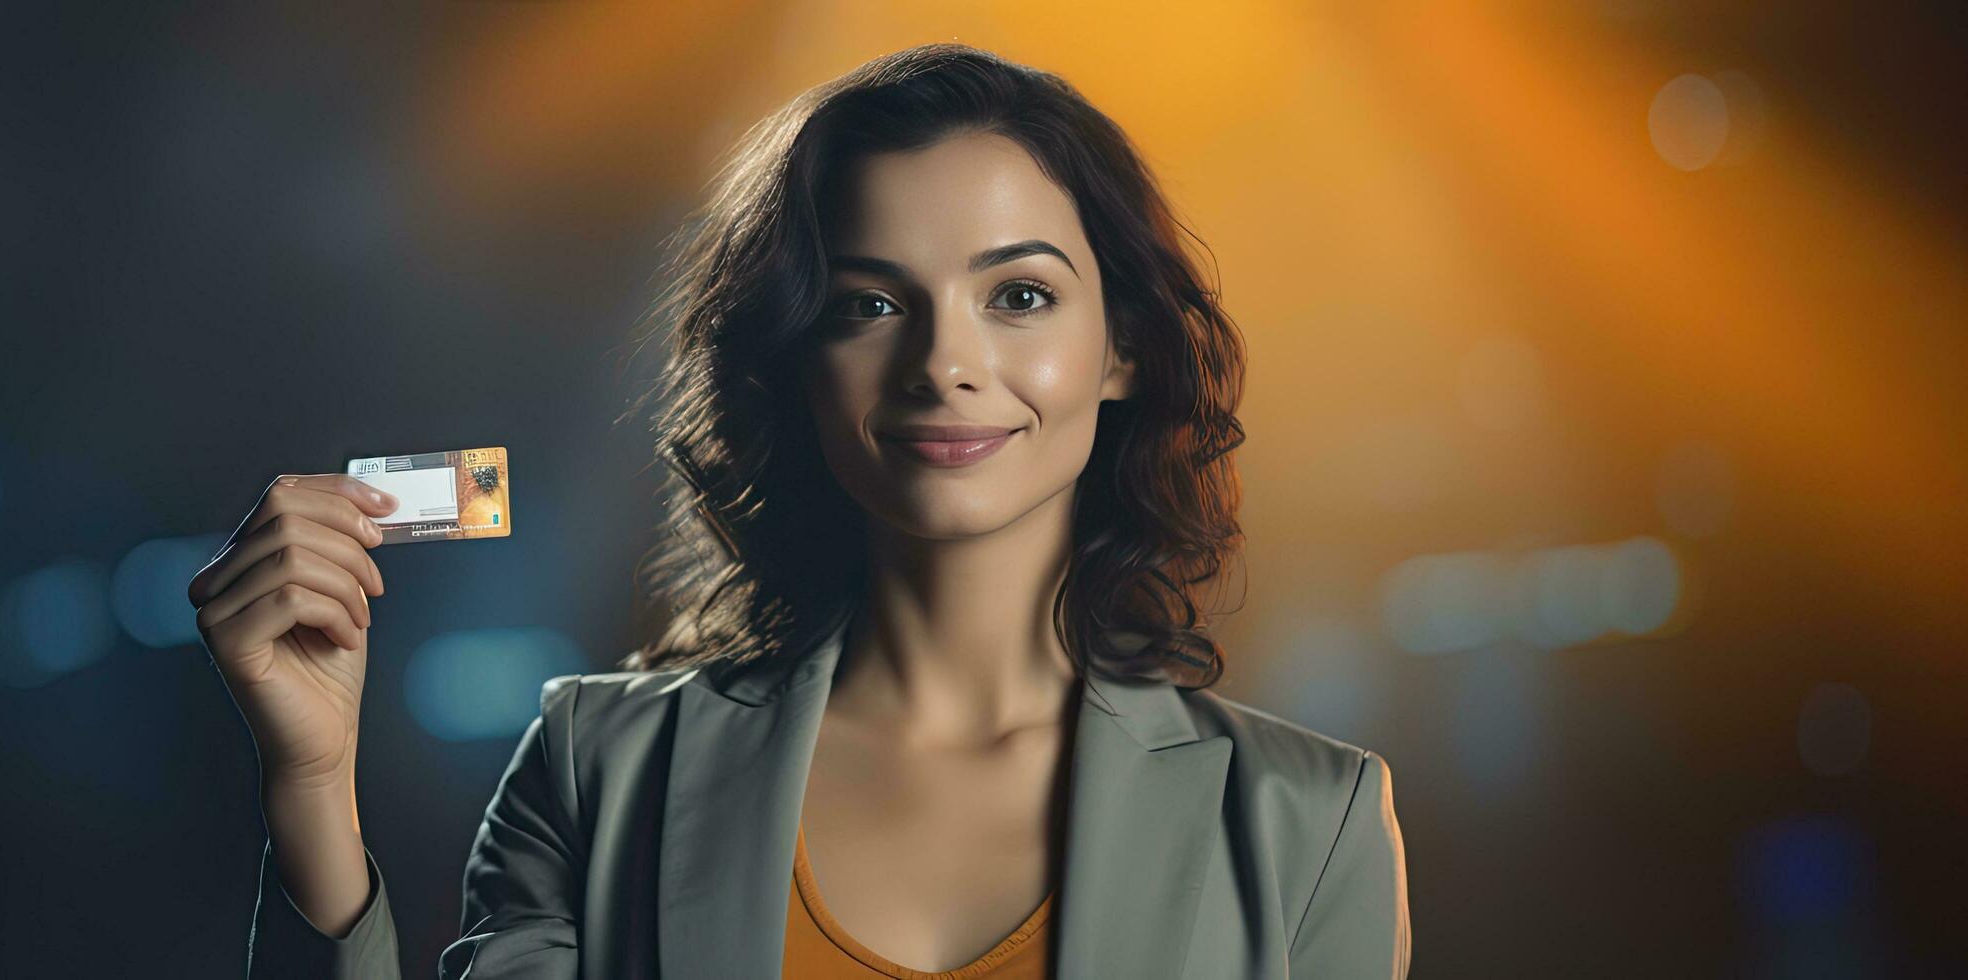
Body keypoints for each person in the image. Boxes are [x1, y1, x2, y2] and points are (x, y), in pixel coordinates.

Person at [190, 42, 1409, 979]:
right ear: (792, 357)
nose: (944, 361)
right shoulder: (600, 767)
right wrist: (311, 784)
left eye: (1019, 295)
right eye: (869, 304)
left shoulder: (1307, 819)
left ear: (1122, 348)